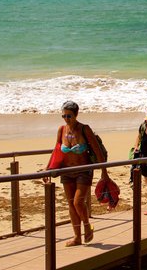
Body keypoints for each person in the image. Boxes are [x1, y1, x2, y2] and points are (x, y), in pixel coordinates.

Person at [45, 101, 110, 247]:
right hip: (67, 171)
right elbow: (56, 150)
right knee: (70, 204)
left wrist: (104, 172)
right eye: (64, 116)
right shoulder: (61, 129)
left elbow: (97, 150)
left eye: (69, 116)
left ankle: (87, 226)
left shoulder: (84, 129)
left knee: (78, 202)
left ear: (76, 115)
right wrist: (48, 168)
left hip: (83, 170)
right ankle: (77, 237)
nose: (66, 119)